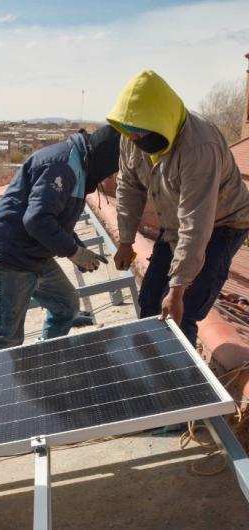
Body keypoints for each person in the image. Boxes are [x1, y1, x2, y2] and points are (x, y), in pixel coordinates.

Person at [107, 70, 249, 344]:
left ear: (160, 122)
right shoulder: (131, 137)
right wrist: (126, 241)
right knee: (150, 302)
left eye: (140, 133)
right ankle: (154, 373)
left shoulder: (199, 147)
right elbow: (128, 187)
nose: (134, 139)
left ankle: (182, 381)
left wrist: (178, 287)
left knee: (182, 311)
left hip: (222, 223)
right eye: (130, 133)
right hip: (175, 223)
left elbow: (197, 222)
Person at [0, 125, 121, 351]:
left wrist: (79, 248)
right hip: (12, 255)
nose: (107, 178)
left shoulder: (78, 163)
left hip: (35, 253)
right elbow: (37, 220)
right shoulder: (63, 166)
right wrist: (75, 253)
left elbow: (56, 220)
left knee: (66, 306)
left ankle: (46, 359)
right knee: (7, 337)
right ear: (104, 159)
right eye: (109, 172)